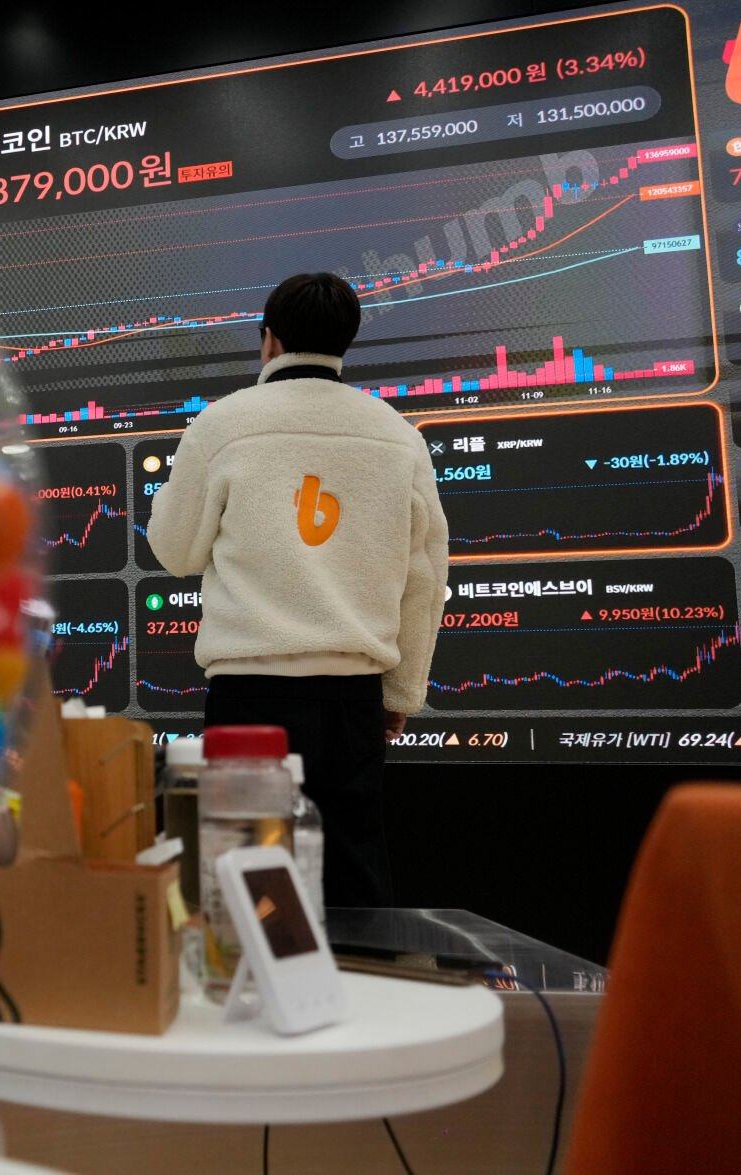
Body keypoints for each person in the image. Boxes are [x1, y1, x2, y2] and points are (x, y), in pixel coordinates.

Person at [146, 273, 448, 907]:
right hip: (352, 698)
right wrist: (401, 692)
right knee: (354, 874)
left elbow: (175, 553)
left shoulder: (223, 425)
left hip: (250, 693)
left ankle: (257, 1001)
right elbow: (424, 578)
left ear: (268, 339)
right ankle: (365, 1001)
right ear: (347, 342)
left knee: (246, 879)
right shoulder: (397, 434)